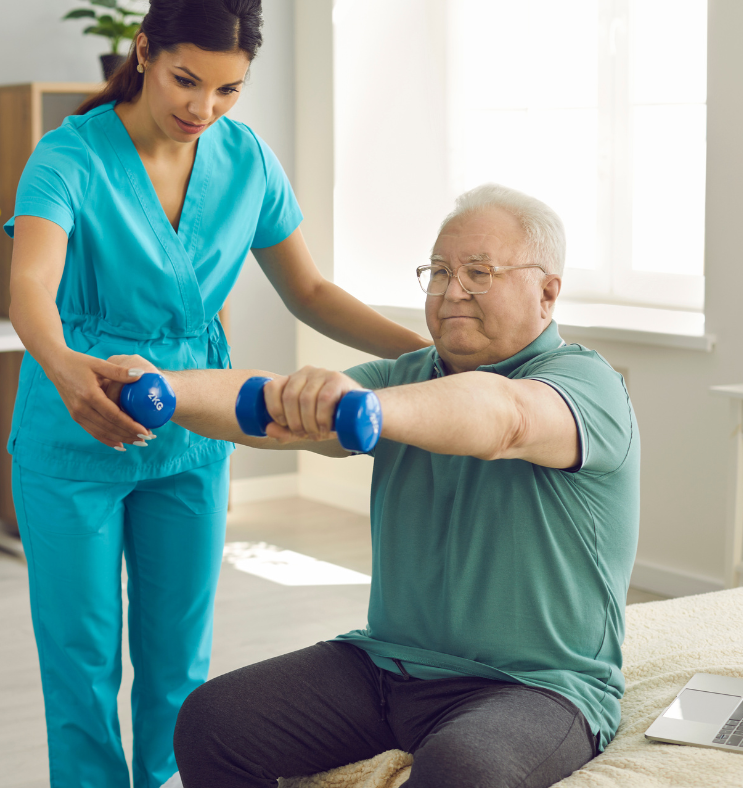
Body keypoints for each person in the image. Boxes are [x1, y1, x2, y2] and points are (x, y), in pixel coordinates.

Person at [5, 1, 429, 786]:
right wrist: (65, 368)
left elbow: (310, 290)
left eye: (229, 89)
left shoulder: (248, 161)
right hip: (75, 437)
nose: (203, 108)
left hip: (195, 433)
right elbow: (30, 285)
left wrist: (430, 358)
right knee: (81, 662)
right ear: (144, 53)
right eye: (186, 80)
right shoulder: (68, 156)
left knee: (179, 659)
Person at [107, 183, 640, 787]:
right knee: (212, 721)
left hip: (538, 686)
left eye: (480, 272)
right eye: (438, 271)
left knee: (465, 769)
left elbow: (503, 417)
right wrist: (167, 388)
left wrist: (369, 410)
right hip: (386, 664)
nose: (452, 289)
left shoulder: (584, 384)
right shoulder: (404, 376)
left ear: (547, 292)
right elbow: (274, 411)